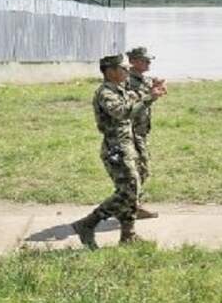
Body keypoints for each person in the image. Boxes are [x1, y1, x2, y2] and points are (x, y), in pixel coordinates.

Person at [71, 54, 166, 249]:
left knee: (133, 190)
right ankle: (87, 224)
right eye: (123, 68)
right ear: (111, 71)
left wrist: (152, 89)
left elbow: (136, 97)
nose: (127, 71)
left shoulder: (120, 89)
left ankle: (128, 236)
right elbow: (123, 111)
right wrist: (150, 98)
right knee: (128, 190)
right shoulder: (105, 93)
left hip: (128, 145)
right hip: (116, 149)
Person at [126, 46, 164, 220]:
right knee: (139, 170)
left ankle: (131, 205)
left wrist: (156, 87)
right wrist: (151, 96)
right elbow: (131, 108)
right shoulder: (126, 81)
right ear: (133, 61)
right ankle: (131, 206)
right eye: (144, 60)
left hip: (141, 131)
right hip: (129, 132)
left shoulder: (143, 79)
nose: (148, 63)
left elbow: (151, 91)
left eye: (149, 60)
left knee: (140, 170)